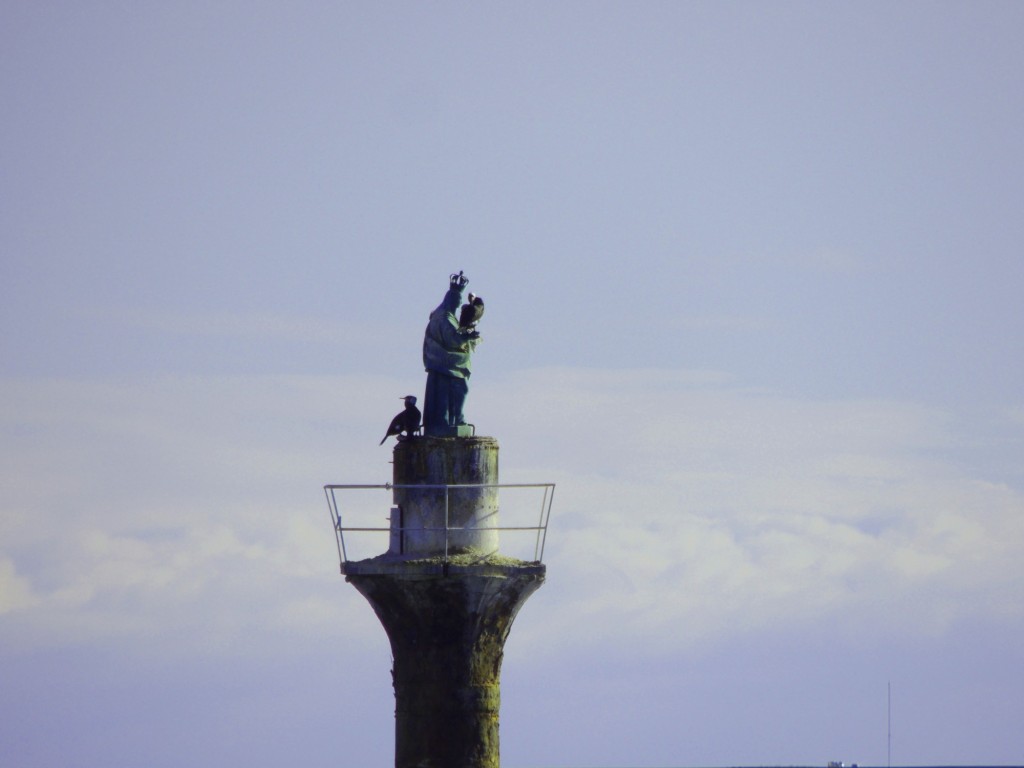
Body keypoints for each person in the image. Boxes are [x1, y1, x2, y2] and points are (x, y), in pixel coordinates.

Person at [422, 271, 480, 434]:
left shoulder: (446, 315)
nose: (458, 305)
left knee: (453, 393)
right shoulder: (444, 317)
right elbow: (452, 338)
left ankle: (453, 420)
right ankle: (447, 422)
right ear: (451, 301)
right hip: (446, 367)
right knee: (451, 394)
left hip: (449, 365)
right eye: (457, 301)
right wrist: (467, 336)